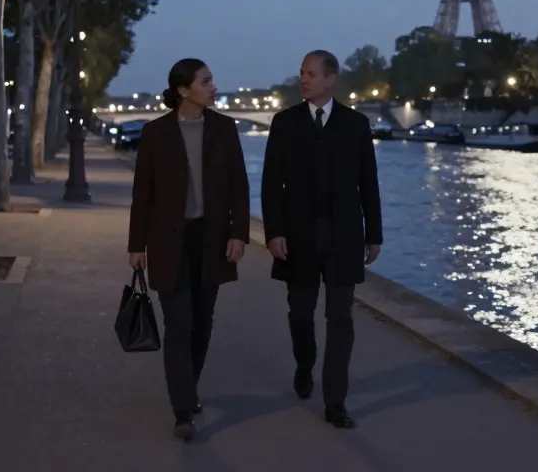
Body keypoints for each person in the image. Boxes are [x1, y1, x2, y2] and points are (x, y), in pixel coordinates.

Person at [127, 58, 249, 442]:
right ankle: (182, 409)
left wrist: (238, 234)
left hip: (211, 239)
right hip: (168, 241)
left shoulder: (225, 129)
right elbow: (142, 194)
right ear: (183, 90)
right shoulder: (155, 133)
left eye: (212, 80)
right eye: (206, 81)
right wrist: (136, 245)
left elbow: (238, 187)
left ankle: (188, 387)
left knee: (202, 321)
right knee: (179, 323)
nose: (214, 87)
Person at [261, 49, 383, 430]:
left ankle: (335, 402)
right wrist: (274, 231)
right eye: (302, 73)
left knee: (340, 318)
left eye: (311, 74)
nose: (304, 79)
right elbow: (270, 185)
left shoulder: (356, 124)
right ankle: (304, 362)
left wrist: (374, 234)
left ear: (331, 79)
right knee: (300, 313)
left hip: (344, 234)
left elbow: (368, 183)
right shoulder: (284, 123)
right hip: (297, 234)